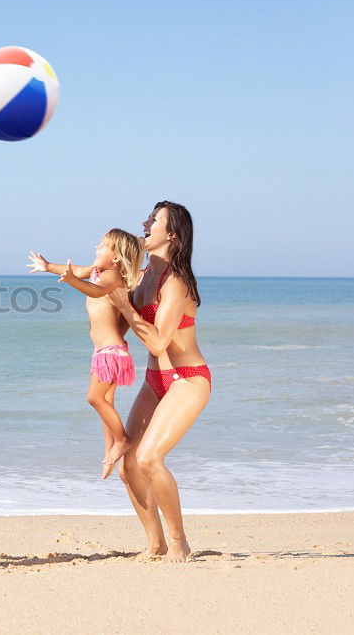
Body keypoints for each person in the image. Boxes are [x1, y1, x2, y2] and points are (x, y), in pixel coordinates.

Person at [106, 201, 210, 562]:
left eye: (154, 220)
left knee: (150, 458)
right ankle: (156, 543)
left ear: (172, 235)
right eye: (148, 217)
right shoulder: (143, 277)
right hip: (156, 379)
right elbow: (120, 324)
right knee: (128, 464)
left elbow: (157, 341)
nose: (145, 222)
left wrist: (124, 306)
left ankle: (179, 541)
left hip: (188, 379)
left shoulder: (176, 282)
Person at [27, 229, 144, 478]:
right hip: (103, 351)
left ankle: (122, 440)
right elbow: (75, 270)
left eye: (103, 246)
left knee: (94, 398)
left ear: (115, 257)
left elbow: (95, 291)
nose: (96, 248)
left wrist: (71, 281)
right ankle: (109, 451)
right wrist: (48, 266)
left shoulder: (112, 276)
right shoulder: (97, 272)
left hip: (111, 351)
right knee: (106, 403)